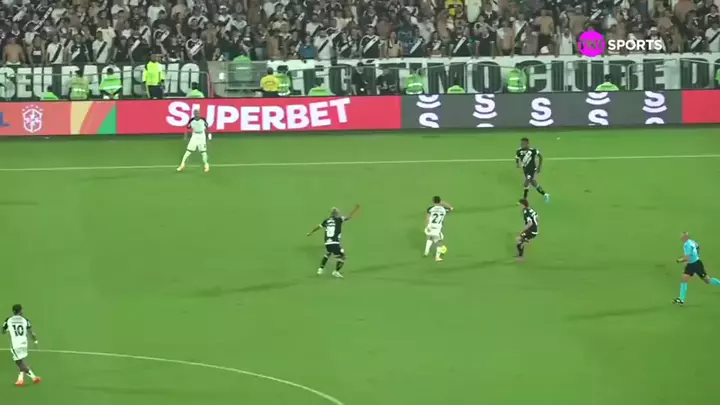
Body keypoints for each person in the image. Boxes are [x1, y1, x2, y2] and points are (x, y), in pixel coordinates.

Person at [306, 205, 361, 278]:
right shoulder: (339, 219)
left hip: (327, 243)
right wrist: (356, 209)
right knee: (343, 257)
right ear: (336, 214)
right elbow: (349, 216)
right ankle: (336, 272)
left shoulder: (326, 221)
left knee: (328, 252)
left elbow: (318, 227)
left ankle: (320, 269)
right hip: (335, 243)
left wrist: (311, 232)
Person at [673, 233, 720, 305]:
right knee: (684, 279)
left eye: (682, 237)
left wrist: (679, 260)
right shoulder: (692, 241)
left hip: (696, 265)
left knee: (707, 280)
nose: (681, 238)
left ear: (686, 237)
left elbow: (686, 258)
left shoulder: (687, 245)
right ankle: (681, 299)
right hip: (691, 264)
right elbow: (697, 247)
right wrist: (696, 255)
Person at [2, 304, 40, 386]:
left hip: (15, 344)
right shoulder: (25, 320)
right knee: (21, 360)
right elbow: (31, 333)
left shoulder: (9, 320)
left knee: (19, 362)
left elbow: (3, 331)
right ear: (21, 311)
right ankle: (22, 379)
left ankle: (33, 377)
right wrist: (35, 341)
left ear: (13, 311)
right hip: (24, 343)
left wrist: (7, 330)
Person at [516, 137, 550, 202]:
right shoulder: (519, 151)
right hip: (525, 170)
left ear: (527, 144)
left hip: (532, 169)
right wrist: (517, 163)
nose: (521, 145)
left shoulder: (533, 151)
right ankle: (545, 194)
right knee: (533, 183)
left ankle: (524, 198)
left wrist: (539, 167)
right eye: (521, 143)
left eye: (523, 144)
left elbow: (540, 157)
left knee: (526, 183)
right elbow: (517, 157)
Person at [177, 109, 211, 173]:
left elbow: (207, 128)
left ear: (199, 114)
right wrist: (185, 136)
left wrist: (209, 136)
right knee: (188, 151)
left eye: (198, 113)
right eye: (195, 113)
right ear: (194, 114)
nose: (197, 114)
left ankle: (206, 165)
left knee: (203, 152)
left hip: (202, 136)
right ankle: (182, 165)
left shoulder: (203, 120)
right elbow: (187, 128)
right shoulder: (191, 120)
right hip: (194, 136)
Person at [424, 196, 454, 262]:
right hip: (437, 229)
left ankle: (426, 252)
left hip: (430, 227)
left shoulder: (430, 209)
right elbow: (451, 209)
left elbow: (427, 218)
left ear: (433, 201)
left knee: (430, 237)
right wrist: (444, 204)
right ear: (440, 201)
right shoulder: (444, 209)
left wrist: (427, 226)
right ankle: (437, 257)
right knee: (440, 242)